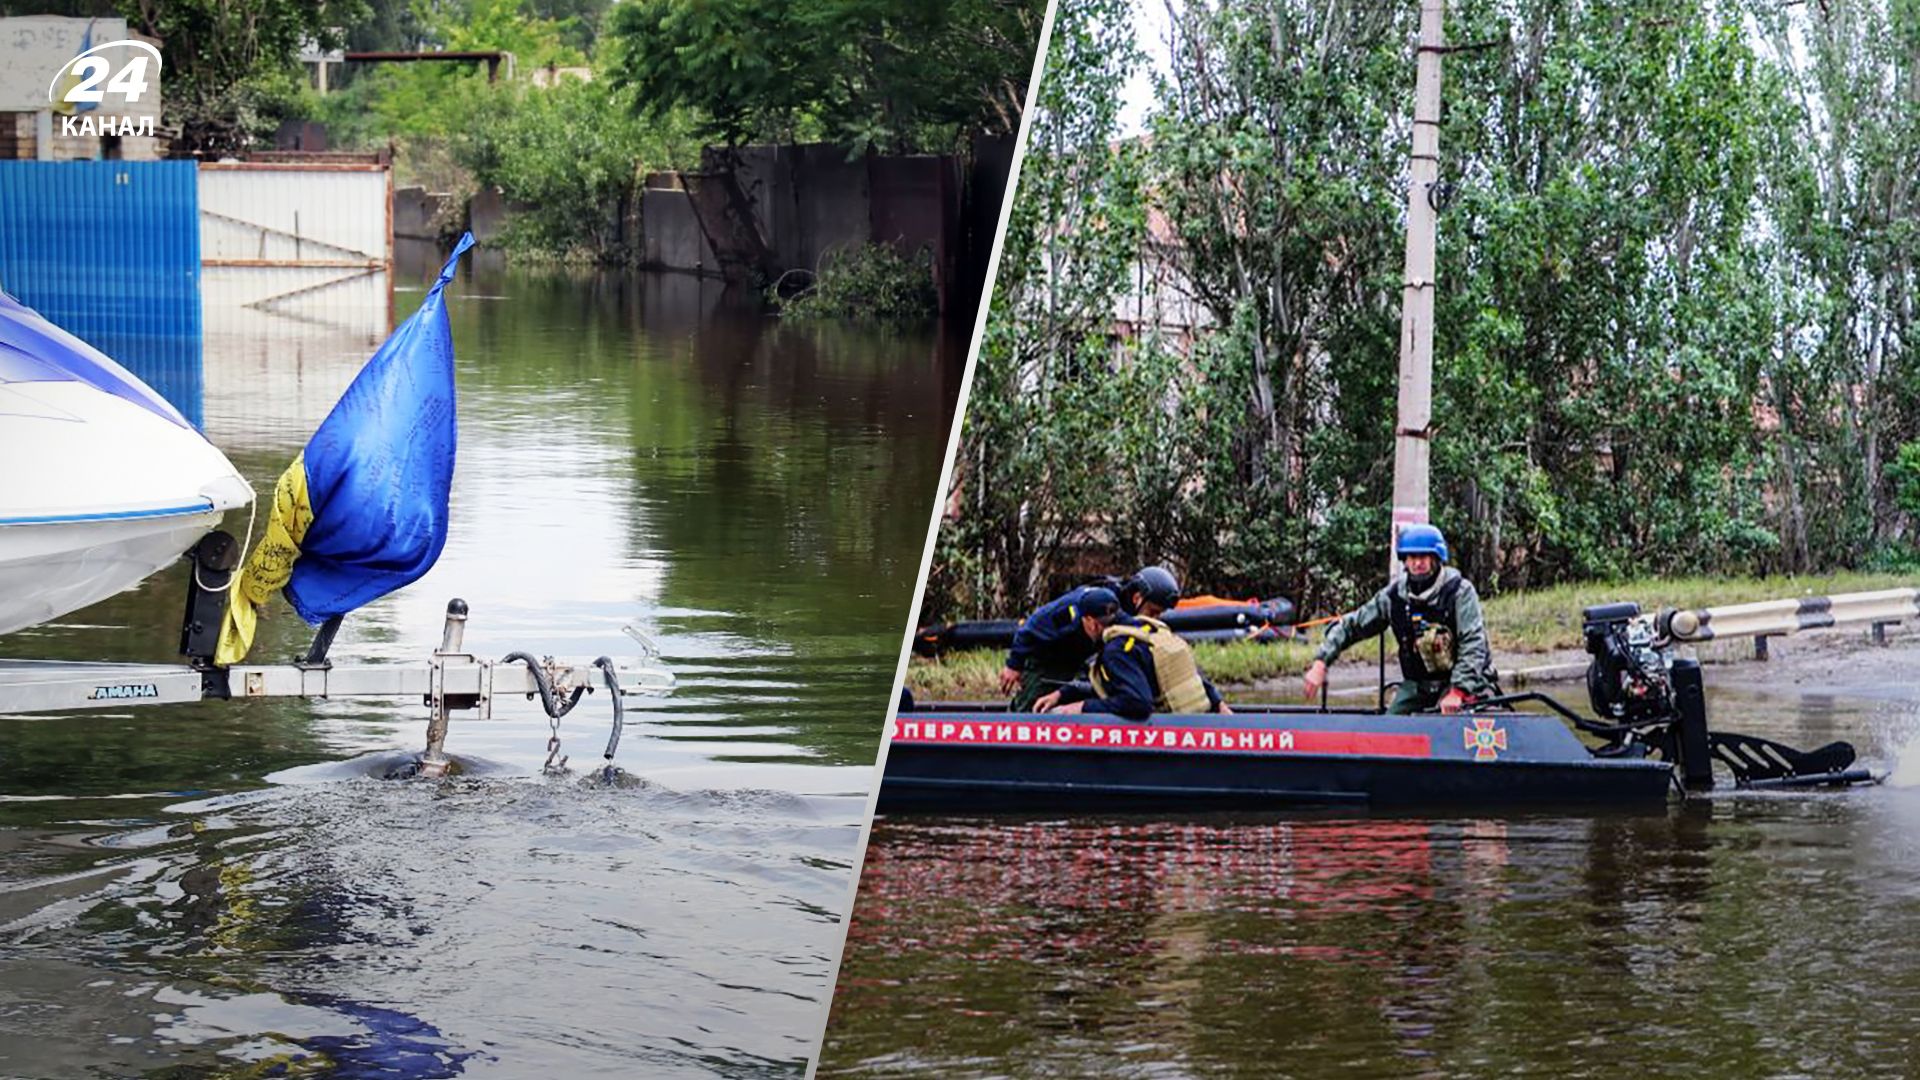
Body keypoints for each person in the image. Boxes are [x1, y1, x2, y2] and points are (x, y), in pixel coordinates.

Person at [1300, 524, 1495, 715]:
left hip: (1465, 685)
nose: (1417, 564)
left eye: (1423, 557)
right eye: (1412, 557)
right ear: (1405, 560)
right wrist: (1321, 663)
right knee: (1392, 725)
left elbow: (1474, 644)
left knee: (1458, 724)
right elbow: (1351, 626)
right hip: (1419, 687)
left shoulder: (1460, 592)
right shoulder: (1394, 596)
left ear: (1436, 558)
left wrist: (1458, 691)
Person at [997, 566, 1184, 710]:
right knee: (1033, 709)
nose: (1155, 619)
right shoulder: (1080, 607)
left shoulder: (1129, 619)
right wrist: (1014, 664)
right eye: (1153, 612)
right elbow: (1032, 626)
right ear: (1137, 598)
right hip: (1047, 660)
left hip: (1081, 662)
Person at [1034, 610, 1230, 719]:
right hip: (1198, 714)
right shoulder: (1150, 634)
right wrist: (1062, 694)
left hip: (1173, 724)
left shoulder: (1117, 651)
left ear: (1091, 623)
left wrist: (1083, 707)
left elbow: (1137, 703)